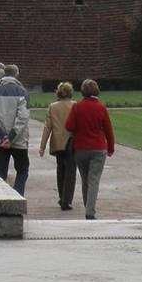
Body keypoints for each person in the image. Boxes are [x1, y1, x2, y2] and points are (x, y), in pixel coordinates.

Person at [64, 79, 116, 220]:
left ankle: (88, 207)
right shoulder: (101, 107)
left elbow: (68, 126)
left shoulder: (77, 107)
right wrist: (111, 147)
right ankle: (90, 211)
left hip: (80, 148)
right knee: (94, 180)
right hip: (98, 148)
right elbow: (108, 130)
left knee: (85, 180)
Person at [0, 64, 31, 195]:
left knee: (0, 174)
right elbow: (23, 117)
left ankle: (2, 199)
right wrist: (11, 137)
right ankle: (18, 195)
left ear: (4, 74)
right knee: (22, 170)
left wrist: (1, 136)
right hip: (19, 140)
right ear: (17, 75)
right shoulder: (22, 92)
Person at [38, 81, 78, 211]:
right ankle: (67, 200)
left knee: (61, 170)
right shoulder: (75, 105)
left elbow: (47, 128)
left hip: (58, 142)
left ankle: (62, 197)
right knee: (71, 172)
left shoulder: (52, 107)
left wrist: (42, 146)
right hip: (72, 142)